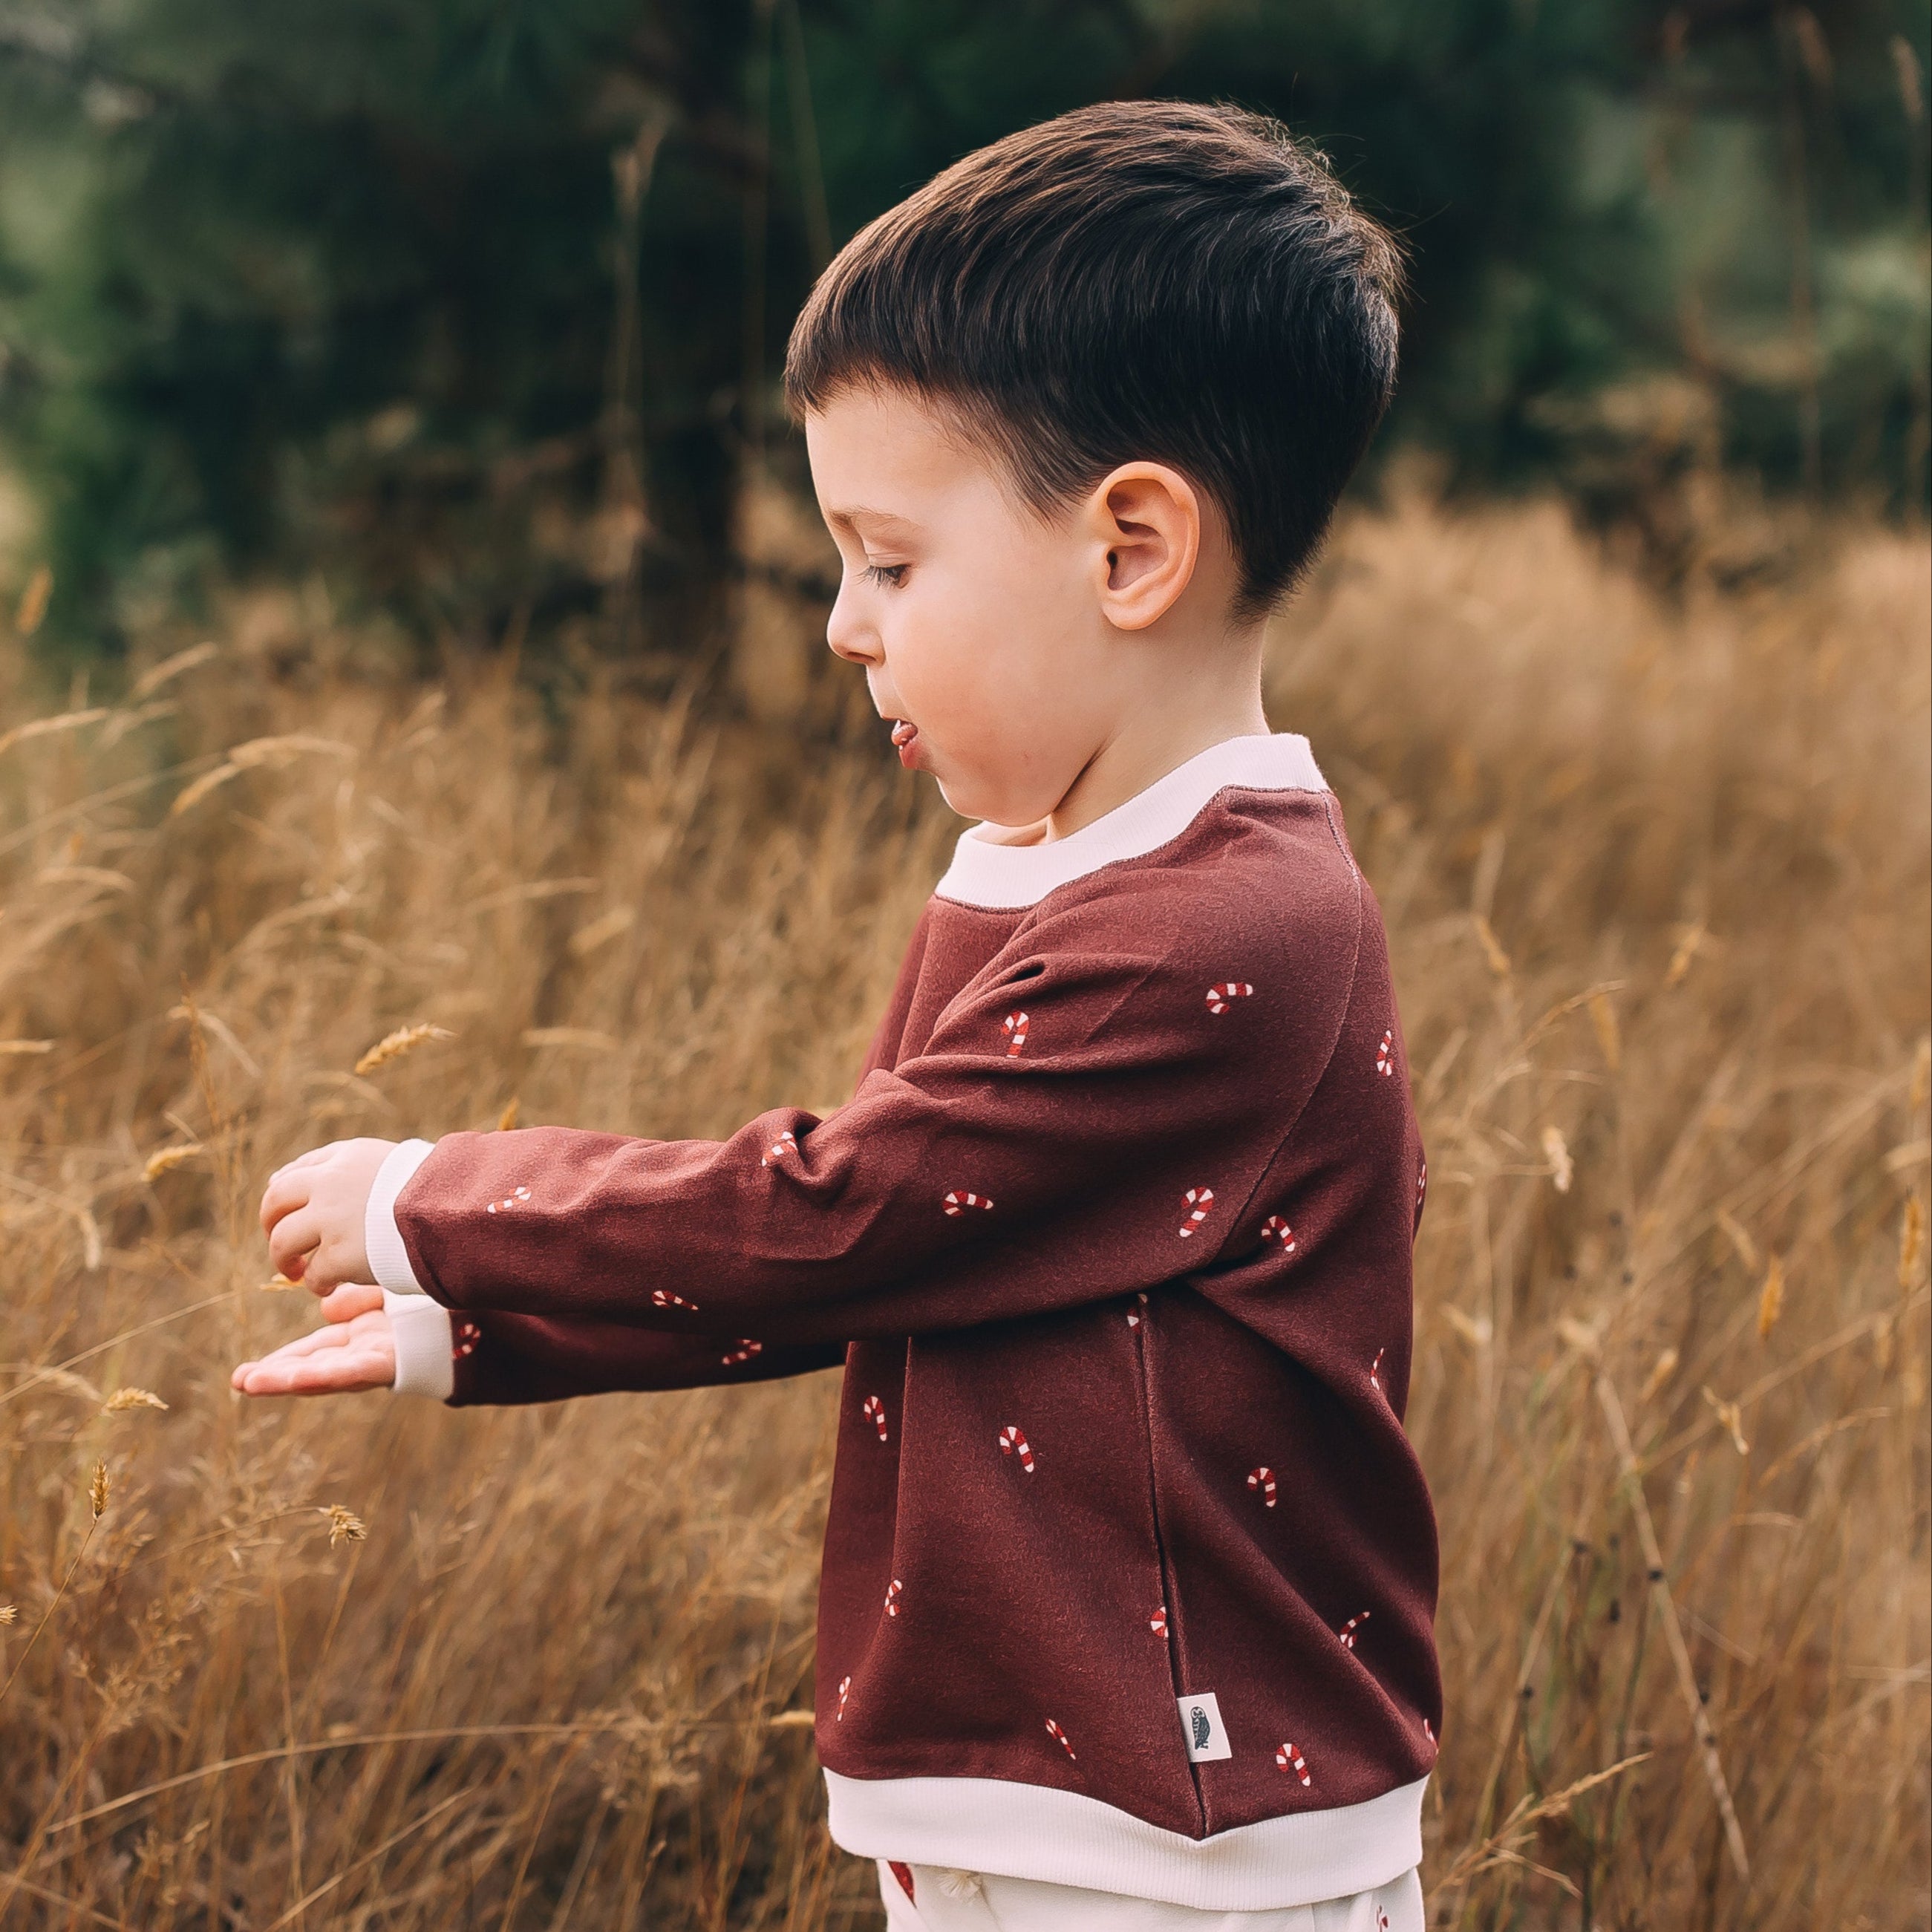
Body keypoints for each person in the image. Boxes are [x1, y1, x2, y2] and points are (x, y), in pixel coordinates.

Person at [235, 99, 1440, 1930]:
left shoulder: (1230, 925)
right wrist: (474, 1326)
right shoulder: (1040, 863)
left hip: (1178, 1837)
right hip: (1023, 1791)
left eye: (887, 558)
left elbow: (833, 1212)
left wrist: (440, 1198)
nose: (838, 624)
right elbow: (900, 1266)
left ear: (1129, 551)